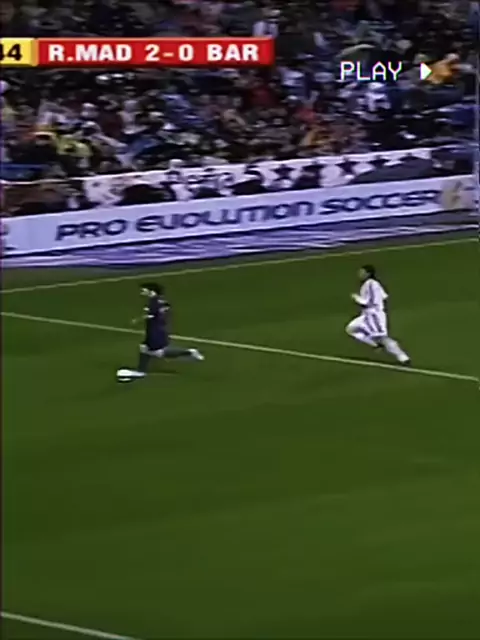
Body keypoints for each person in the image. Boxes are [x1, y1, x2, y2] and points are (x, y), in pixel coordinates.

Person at [117, 282, 204, 381]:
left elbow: (151, 315)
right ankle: (141, 370)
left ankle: (188, 352)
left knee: (156, 352)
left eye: (144, 290)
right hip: (159, 329)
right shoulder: (161, 300)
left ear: (152, 291)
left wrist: (137, 320)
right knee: (145, 348)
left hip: (155, 332)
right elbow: (165, 310)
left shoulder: (153, 302)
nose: (142, 291)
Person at [346, 265, 410, 365]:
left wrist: (356, 298)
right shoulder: (370, 284)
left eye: (362, 272)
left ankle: (403, 357)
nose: (359, 274)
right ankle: (375, 344)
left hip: (374, 315)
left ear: (368, 274)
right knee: (351, 329)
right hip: (367, 314)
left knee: (382, 338)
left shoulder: (371, 284)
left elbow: (368, 302)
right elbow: (384, 296)